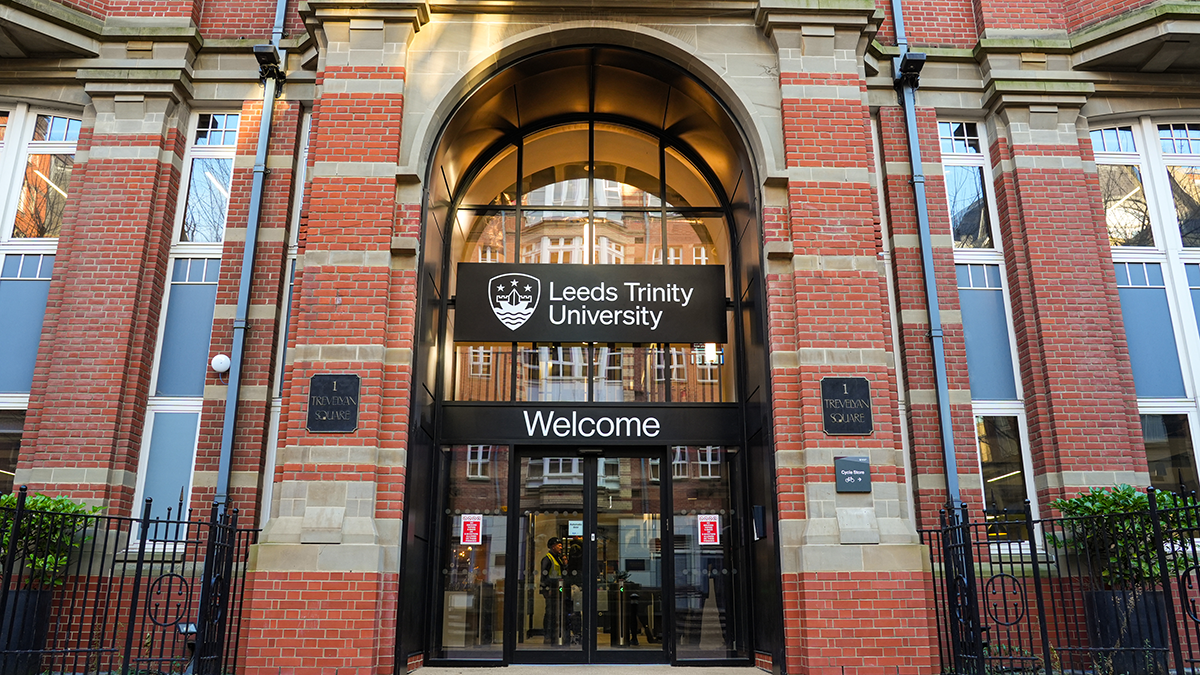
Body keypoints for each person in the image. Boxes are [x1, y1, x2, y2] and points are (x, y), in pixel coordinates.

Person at [540, 537, 566, 644]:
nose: (561, 547)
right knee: (550, 613)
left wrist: (565, 564)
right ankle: (547, 635)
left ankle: (555, 634)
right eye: (559, 545)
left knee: (556, 612)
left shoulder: (558, 559)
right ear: (553, 546)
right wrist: (546, 589)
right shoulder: (547, 559)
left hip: (558, 590)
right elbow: (544, 575)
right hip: (551, 590)